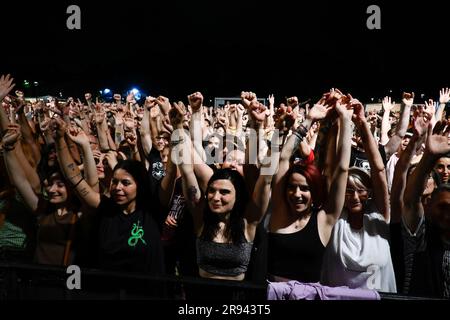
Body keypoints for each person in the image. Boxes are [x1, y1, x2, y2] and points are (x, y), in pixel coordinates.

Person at [54, 118, 164, 274]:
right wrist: (59, 139)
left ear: (140, 185)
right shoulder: (105, 207)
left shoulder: (151, 210)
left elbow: (156, 167)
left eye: (126, 183)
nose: (117, 188)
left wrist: (153, 140)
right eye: (114, 182)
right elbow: (74, 178)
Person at [268, 93, 351, 283]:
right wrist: (309, 119)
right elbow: (283, 158)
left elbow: (342, 169)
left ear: (314, 192)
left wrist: (346, 120)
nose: (296, 194)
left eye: (304, 189)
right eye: (292, 187)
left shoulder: (324, 220)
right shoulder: (279, 212)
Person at [320, 98, 397, 293]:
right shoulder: (334, 220)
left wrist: (362, 123)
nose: (354, 196)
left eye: (361, 190)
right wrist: (344, 122)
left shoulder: (379, 217)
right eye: (348, 191)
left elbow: (379, 170)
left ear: (370, 192)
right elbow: (336, 169)